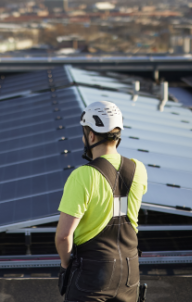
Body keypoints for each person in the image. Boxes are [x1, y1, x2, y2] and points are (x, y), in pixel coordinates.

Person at [56, 101, 148, 302]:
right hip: (130, 272)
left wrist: (66, 266)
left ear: (91, 135)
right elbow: (119, 207)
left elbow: (63, 236)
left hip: (93, 273)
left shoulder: (83, 176)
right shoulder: (138, 169)